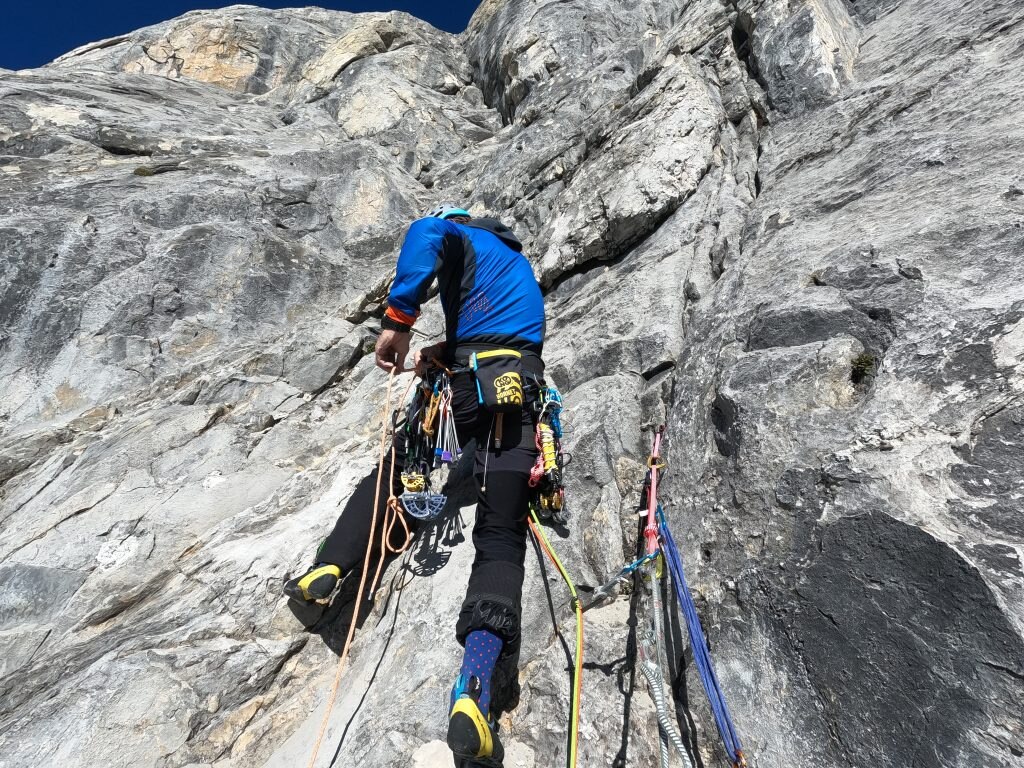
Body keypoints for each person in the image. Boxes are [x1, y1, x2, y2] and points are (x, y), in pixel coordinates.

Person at [284, 203, 546, 767]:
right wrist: (444, 350)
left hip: (466, 392)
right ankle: (473, 693)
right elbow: (497, 332)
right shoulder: (515, 269)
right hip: (514, 397)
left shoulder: (459, 238)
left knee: (403, 462)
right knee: (500, 537)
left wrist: (399, 321)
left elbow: (427, 233)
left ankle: (328, 566)